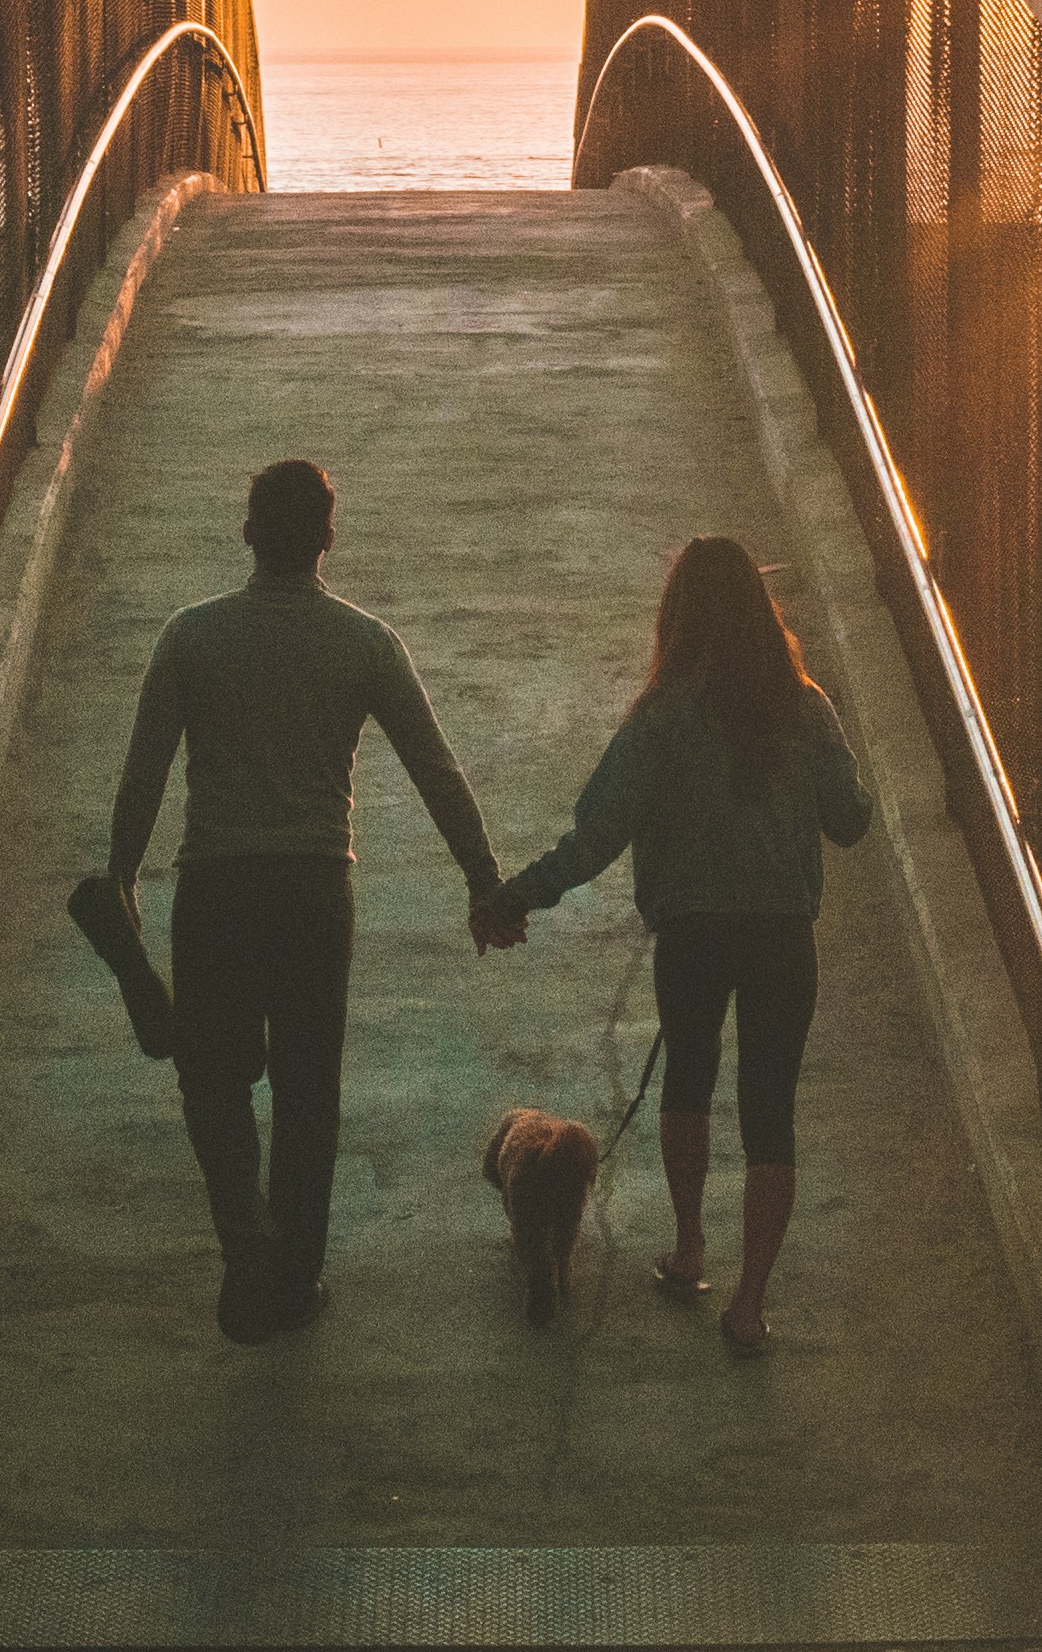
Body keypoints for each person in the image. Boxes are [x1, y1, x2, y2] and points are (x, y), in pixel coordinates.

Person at [105, 456, 512, 1343]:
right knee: (306, 1089)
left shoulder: (190, 637)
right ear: (328, 539)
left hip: (215, 886)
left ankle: (241, 1231)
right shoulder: (364, 643)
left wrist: (123, 874)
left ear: (248, 531)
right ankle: (293, 1282)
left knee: (211, 1075)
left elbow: (144, 773)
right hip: (314, 891)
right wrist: (483, 880)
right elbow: (436, 771)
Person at [476, 536, 871, 1356]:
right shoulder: (805, 706)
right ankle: (750, 1305)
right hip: (781, 936)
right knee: (772, 1115)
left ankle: (690, 1250)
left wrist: (515, 896)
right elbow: (851, 820)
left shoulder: (660, 717)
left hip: (692, 935)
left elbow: (595, 838)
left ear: (678, 616)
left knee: (687, 1083)